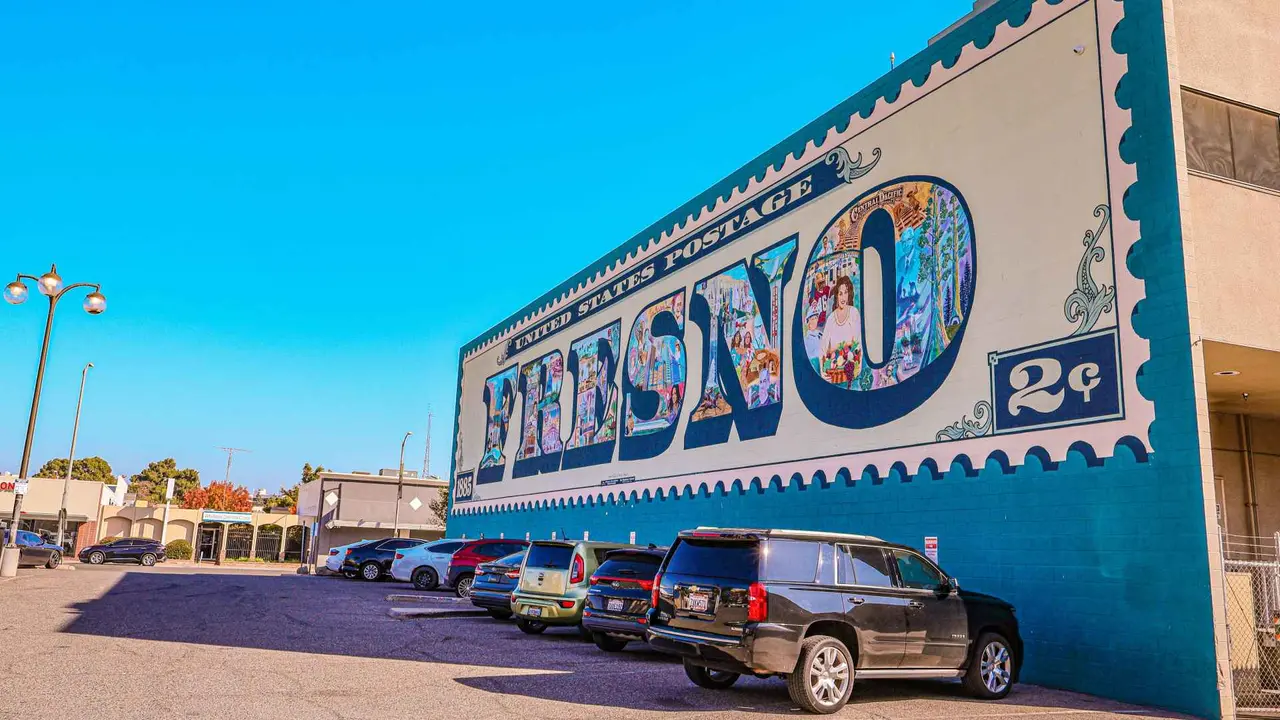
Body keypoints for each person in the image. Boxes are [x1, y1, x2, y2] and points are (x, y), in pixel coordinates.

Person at [821, 275, 861, 383]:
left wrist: (858, 366)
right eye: (840, 293)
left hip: (851, 372)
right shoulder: (831, 318)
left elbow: (858, 344)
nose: (843, 297)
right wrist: (822, 371)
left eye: (846, 293)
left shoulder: (854, 313)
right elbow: (823, 347)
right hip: (833, 374)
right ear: (837, 296)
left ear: (849, 294)